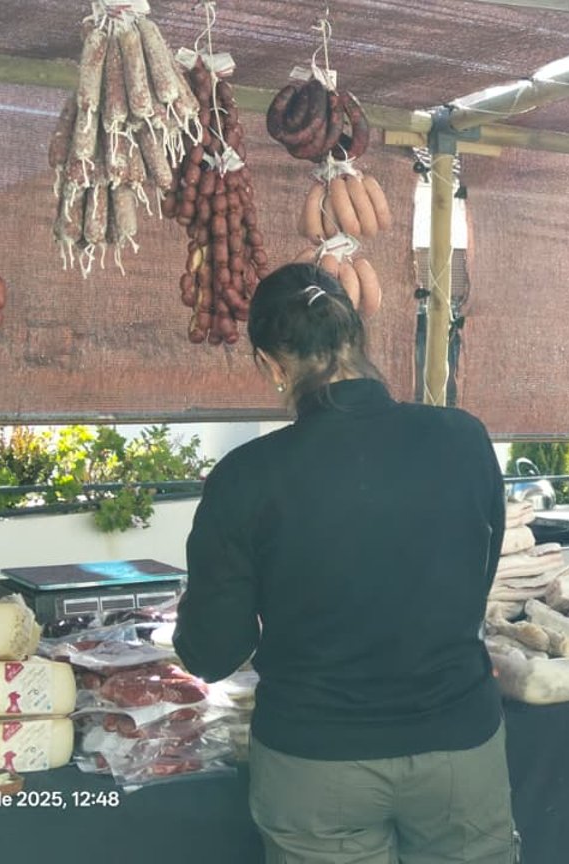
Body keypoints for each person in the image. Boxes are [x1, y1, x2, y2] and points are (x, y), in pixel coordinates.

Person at [175, 263, 517, 864]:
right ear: (357, 336)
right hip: (458, 746)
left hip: (316, 763)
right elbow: (478, 580)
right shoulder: (463, 438)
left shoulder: (247, 477)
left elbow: (212, 652)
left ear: (272, 366)